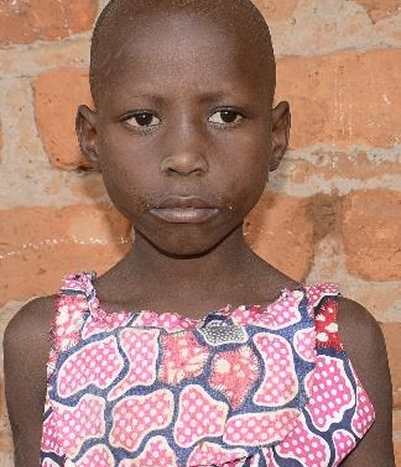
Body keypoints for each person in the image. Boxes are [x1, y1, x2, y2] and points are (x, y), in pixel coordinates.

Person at [3, 0, 395, 466]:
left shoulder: (333, 345)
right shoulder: (47, 345)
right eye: (143, 119)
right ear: (92, 138)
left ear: (276, 135)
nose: (185, 157)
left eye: (225, 116)